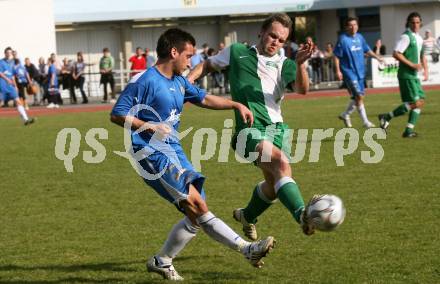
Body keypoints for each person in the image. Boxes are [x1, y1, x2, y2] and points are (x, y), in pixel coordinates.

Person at [110, 28, 275, 281]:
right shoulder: (145, 81)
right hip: (150, 153)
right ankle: (247, 249)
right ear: (173, 52)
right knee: (197, 206)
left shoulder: (179, 81)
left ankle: (162, 260)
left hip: (174, 149)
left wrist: (235, 104)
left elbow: (204, 99)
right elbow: (117, 113)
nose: (191, 61)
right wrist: (150, 126)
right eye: (188, 55)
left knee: (197, 213)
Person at [188, 13, 317, 241]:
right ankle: (301, 216)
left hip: (277, 130)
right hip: (248, 130)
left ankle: (247, 215)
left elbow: (302, 89)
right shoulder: (237, 51)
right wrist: (187, 82)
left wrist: (300, 64)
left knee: (275, 182)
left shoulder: (285, 64)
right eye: (272, 36)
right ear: (262, 32)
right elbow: (207, 65)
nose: (275, 42)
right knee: (280, 164)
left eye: (281, 40)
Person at [378, 12, 428, 138]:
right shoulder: (406, 37)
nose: (415, 25)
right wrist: (412, 65)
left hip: (414, 75)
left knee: (420, 101)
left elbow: (422, 55)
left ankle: (408, 130)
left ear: (420, 23)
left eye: (417, 22)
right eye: (413, 22)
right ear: (408, 23)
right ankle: (386, 117)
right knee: (415, 102)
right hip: (406, 75)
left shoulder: (419, 38)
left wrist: (426, 70)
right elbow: (396, 53)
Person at [334, 17, 384, 128]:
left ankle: (345, 114)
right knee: (359, 96)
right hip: (349, 72)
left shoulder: (360, 37)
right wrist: (338, 70)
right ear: (346, 27)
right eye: (351, 25)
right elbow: (337, 56)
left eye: (355, 25)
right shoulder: (342, 39)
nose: (353, 27)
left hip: (360, 72)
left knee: (357, 97)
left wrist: (377, 57)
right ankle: (366, 122)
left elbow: (367, 50)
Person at [0, 47, 34, 125]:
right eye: (7, 52)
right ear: (5, 53)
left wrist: (15, 86)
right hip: (2, 85)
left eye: (10, 53)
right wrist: (7, 79)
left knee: (18, 101)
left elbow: (12, 75)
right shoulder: (1, 62)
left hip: (11, 86)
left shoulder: (12, 63)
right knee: (1, 103)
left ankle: (26, 120)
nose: (9, 54)